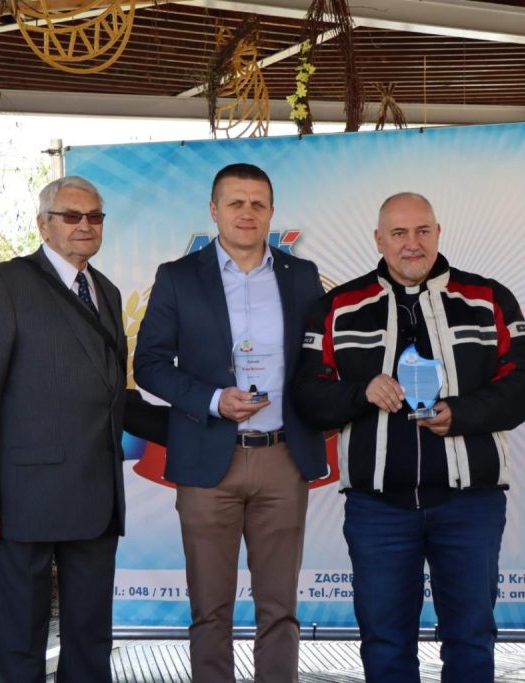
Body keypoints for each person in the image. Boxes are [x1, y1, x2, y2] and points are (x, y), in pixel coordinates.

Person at [292, 192, 525, 683]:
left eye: (423, 231)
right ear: (378, 239)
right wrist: (361, 392)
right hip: (378, 506)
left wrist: (462, 414)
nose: (413, 244)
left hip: (470, 503)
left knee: (471, 636)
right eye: (399, 233)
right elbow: (307, 395)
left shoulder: (489, 298)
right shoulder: (338, 306)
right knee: (385, 641)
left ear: (438, 233)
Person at [133, 163, 327, 683]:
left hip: (283, 458)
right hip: (206, 459)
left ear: (272, 212)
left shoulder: (301, 276)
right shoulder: (177, 276)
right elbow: (148, 364)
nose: (247, 212)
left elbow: (319, 360)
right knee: (210, 610)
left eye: (258, 203)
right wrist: (215, 399)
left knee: (280, 610)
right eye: (236, 202)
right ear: (214, 210)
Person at [0, 176, 128, 682]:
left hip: (96, 497)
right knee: (19, 639)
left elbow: (111, 395)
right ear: (43, 224)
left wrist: (204, 414)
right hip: (24, 498)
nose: (84, 225)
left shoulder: (108, 291)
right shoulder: (5, 284)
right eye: (71, 216)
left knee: (91, 640)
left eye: (94, 216)